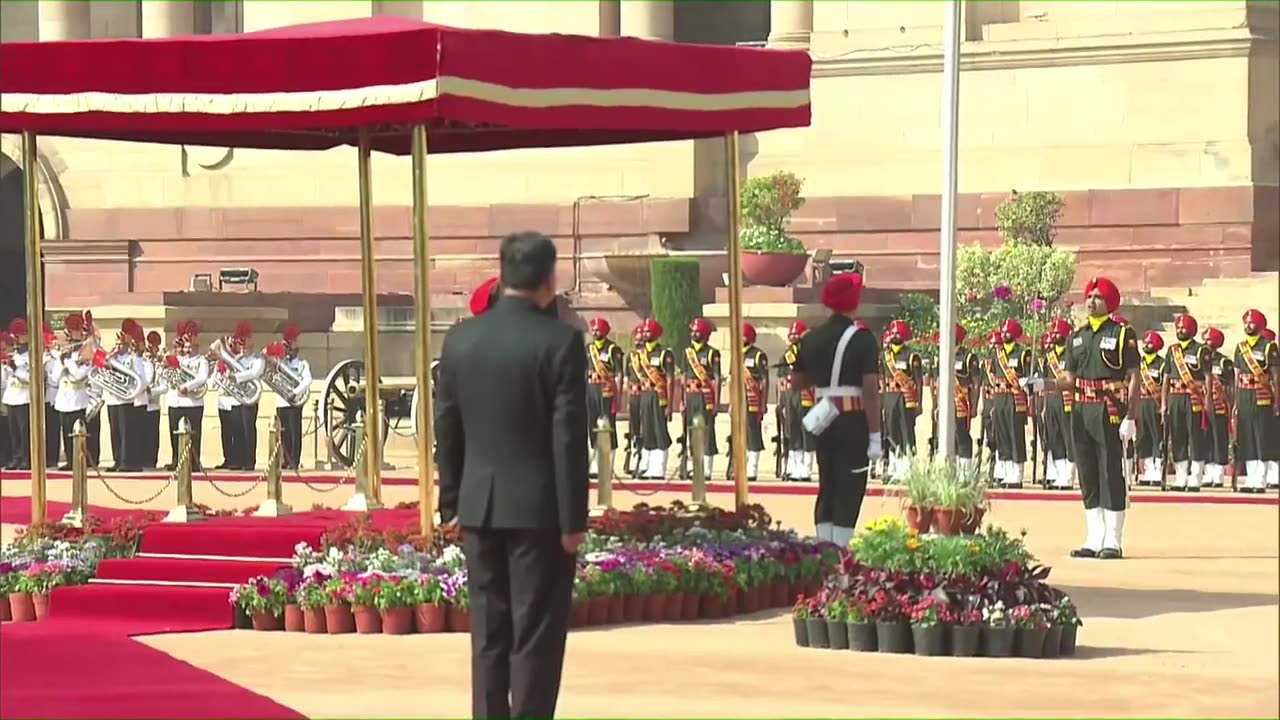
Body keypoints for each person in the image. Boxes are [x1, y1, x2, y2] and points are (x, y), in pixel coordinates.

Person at [435, 230, 588, 720]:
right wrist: (572, 520)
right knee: (535, 635)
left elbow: (448, 429)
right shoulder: (561, 341)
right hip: (540, 511)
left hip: (480, 505)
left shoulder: (462, 340)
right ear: (549, 278)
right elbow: (567, 438)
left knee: (489, 633)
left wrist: (451, 503)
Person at [1030, 277, 1139, 559]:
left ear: (1110, 303)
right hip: (1081, 410)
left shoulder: (1123, 334)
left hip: (1109, 409)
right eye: (1089, 296)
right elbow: (1069, 379)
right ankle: (1093, 537)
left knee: (1110, 472)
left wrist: (1131, 416)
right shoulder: (1076, 337)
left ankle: (1112, 539)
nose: (1091, 302)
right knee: (1088, 474)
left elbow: (1133, 378)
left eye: (1098, 297)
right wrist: (1044, 384)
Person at [790, 273, 882, 547]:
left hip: (823, 415)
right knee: (850, 487)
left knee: (827, 485)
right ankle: (841, 551)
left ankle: (824, 547)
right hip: (852, 420)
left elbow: (796, 382)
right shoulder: (862, 339)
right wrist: (875, 434)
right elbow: (869, 390)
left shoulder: (811, 337)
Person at [1162, 313, 1213, 491]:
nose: (1179, 330)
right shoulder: (1172, 350)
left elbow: (1208, 378)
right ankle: (1181, 477)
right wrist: (1163, 403)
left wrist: (1208, 401)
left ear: (1191, 329)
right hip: (1175, 397)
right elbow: (1166, 379)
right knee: (1177, 437)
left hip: (1194, 398)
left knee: (1195, 436)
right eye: (1178, 327)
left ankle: (1196, 477)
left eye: (1183, 327)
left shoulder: (1202, 350)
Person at [1233, 309, 1279, 492]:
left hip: (1262, 396)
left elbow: (1276, 377)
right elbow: (1237, 376)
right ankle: (1251, 479)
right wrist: (1236, 402)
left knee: (1261, 438)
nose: (1248, 325)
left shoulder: (1269, 347)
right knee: (1247, 438)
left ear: (1259, 325)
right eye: (1246, 322)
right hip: (1244, 395)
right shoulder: (1240, 347)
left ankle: (1260, 479)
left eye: (1251, 322)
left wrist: (1277, 401)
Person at [987, 319, 1032, 488]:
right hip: (999, 398)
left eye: (1007, 332)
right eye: (1003, 331)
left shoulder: (1022, 354)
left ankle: (1017, 475)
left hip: (1015, 398)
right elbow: (992, 374)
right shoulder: (996, 354)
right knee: (1002, 435)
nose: (1004, 334)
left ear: (1014, 334)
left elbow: (1028, 377)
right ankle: (1005, 472)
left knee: (1015, 435)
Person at [631, 317, 675, 479]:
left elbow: (669, 379)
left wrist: (670, 404)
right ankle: (649, 466)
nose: (645, 334)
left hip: (659, 397)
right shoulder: (640, 354)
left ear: (655, 334)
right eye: (645, 330)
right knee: (648, 430)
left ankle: (659, 468)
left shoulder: (664, 353)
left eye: (649, 331)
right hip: (645, 395)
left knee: (659, 431)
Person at [879, 319, 922, 479]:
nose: (894, 335)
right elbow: (882, 379)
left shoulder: (912, 356)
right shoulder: (885, 356)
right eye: (893, 332)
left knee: (906, 431)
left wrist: (919, 402)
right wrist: (883, 400)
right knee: (891, 431)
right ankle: (894, 466)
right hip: (890, 397)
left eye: (897, 332)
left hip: (906, 398)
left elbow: (918, 380)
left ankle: (907, 468)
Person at [679, 318, 720, 478]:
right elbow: (683, 377)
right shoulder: (687, 353)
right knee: (691, 430)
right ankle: (693, 466)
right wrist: (682, 400)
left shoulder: (712, 353)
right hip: (690, 395)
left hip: (705, 396)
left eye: (696, 331)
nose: (693, 333)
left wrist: (716, 402)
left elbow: (716, 378)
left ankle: (707, 468)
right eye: (692, 331)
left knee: (707, 431)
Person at [166, 321, 209, 472]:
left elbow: (202, 378)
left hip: (193, 403)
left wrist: (187, 386)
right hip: (175, 402)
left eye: (191, 346)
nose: (188, 349)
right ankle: (176, 459)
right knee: (174, 433)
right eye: (186, 346)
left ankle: (194, 461)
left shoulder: (202, 361)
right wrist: (172, 352)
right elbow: (166, 372)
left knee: (194, 434)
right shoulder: (178, 359)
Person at [585, 317, 624, 474]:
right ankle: (594, 464)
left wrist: (619, 396)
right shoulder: (588, 348)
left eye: (598, 329)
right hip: (591, 390)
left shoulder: (613, 349)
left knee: (608, 427)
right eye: (593, 329)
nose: (595, 332)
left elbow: (619, 375)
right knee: (592, 427)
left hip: (607, 392)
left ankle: (608, 464)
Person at [104, 319, 144, 473]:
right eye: (117, 343)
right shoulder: (113, 358)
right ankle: (117, 459)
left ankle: (128, 461)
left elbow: (140, 377)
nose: (119, 346)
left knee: (127, 432)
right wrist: (112, 353)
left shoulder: (133, 358)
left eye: (122, 343)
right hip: (113, 399)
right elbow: (100, 366)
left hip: (127, 399)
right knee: (115, 432)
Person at [777, 320, 815, 481]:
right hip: (790, 397)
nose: (793, 337)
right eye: (791, 334)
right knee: (793, 433)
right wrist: (781, 402)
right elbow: (780, 381)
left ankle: (807, 469)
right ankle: (796, 467)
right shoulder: (785, 356)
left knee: (807, 433)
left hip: (806, 397)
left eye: (796, 334)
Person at [940, 323, 981, 469]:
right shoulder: (943, 354)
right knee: (948, 435)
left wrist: (975, 405)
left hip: (961, 402)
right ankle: (953, 468)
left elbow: (976, 382)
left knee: (961, 434)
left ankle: (965, 470)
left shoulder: (968, 357)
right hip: (946, 401)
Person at [1041, 318, 1075, 489]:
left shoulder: (1072, 354)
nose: (1054, 336)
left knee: (1069, 438)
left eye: (1057, 333)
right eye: (1053, 333)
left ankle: (1069, 476)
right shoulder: (1049, 357)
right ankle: (1060, 475)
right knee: (1055, 438)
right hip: (1052, 400)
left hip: (1067, 400)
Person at [225, 321, 265, 471]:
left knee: (248, 429)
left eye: (244, 339)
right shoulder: (237, 360)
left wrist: (236, 377)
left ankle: (250, 460)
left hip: (250, 399)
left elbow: (254, 373)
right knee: (237, 429)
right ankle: (238, 459)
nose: (242, 344)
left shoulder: (257, 360)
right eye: (240, 340)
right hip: (237, 398)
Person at [272, 324, 312, 470]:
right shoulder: (279, 363)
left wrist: (295, 392)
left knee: (295, 433)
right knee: (284, 433)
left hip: (294, 402)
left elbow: (307, 380)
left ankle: (294, 460)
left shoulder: (301, 364)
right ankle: (286, 459)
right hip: (281, 402)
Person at [1200, 327, 1232, 488]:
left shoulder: (1224, 362)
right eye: (1204, 339)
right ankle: (1208, 473)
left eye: (1209, 340)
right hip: (1201, 404)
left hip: (1219, 405)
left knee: (1219, 439)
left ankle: (1218, 474)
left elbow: (1230, 386)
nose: (1206, 343)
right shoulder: (1199, 360)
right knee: (1205, 440)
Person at [1136, 330, 1167, 486]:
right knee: (1144, 437)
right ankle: (1148, 471)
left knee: (1157, 437)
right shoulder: (1139, 363)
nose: (1146, 345)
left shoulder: (1161, 364)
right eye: (1145, 342)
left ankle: (1157, 471)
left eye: (1149, 343)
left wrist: (1162, 405)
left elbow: (1164, 386)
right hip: (1141, 403)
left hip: (1154, 403)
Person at [740, 323, 769, 481]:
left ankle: (752, 469)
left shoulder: (758, 356)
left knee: (753, 434)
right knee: (741, 434)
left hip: (753, 400)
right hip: (740, 401)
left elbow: (765, 380)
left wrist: (763, 403)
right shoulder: (737, 355)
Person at [3, 319, 32, 470]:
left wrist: (16, 369)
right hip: (11, 396)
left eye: (19, 337)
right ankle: (16, 457)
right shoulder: (13, 355)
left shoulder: (31, 355)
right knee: (13, 431)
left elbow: (31, 378)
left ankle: (26, 459)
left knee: (24, 432)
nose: (16, 341)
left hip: (24, 397)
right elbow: (7, 380)